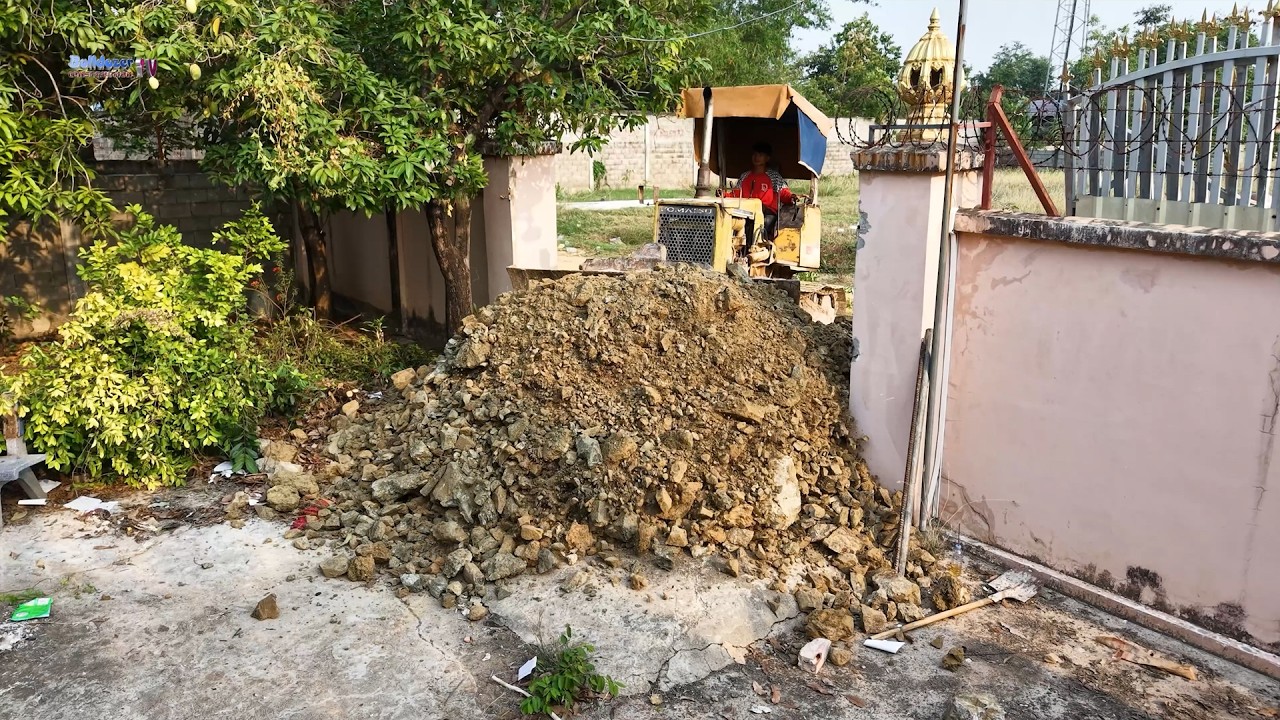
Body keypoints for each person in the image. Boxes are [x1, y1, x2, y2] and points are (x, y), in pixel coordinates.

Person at [722, 142, 795, 237]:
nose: (757, 157)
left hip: (766, 213)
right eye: (755, 154)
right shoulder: (745, 176)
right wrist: (723, 195)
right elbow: (736, 194)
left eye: (760, 155)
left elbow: (783, 192)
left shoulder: (774, 177)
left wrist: (791, 197)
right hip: (744, 213)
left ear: (767, 158)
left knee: (756, 226)